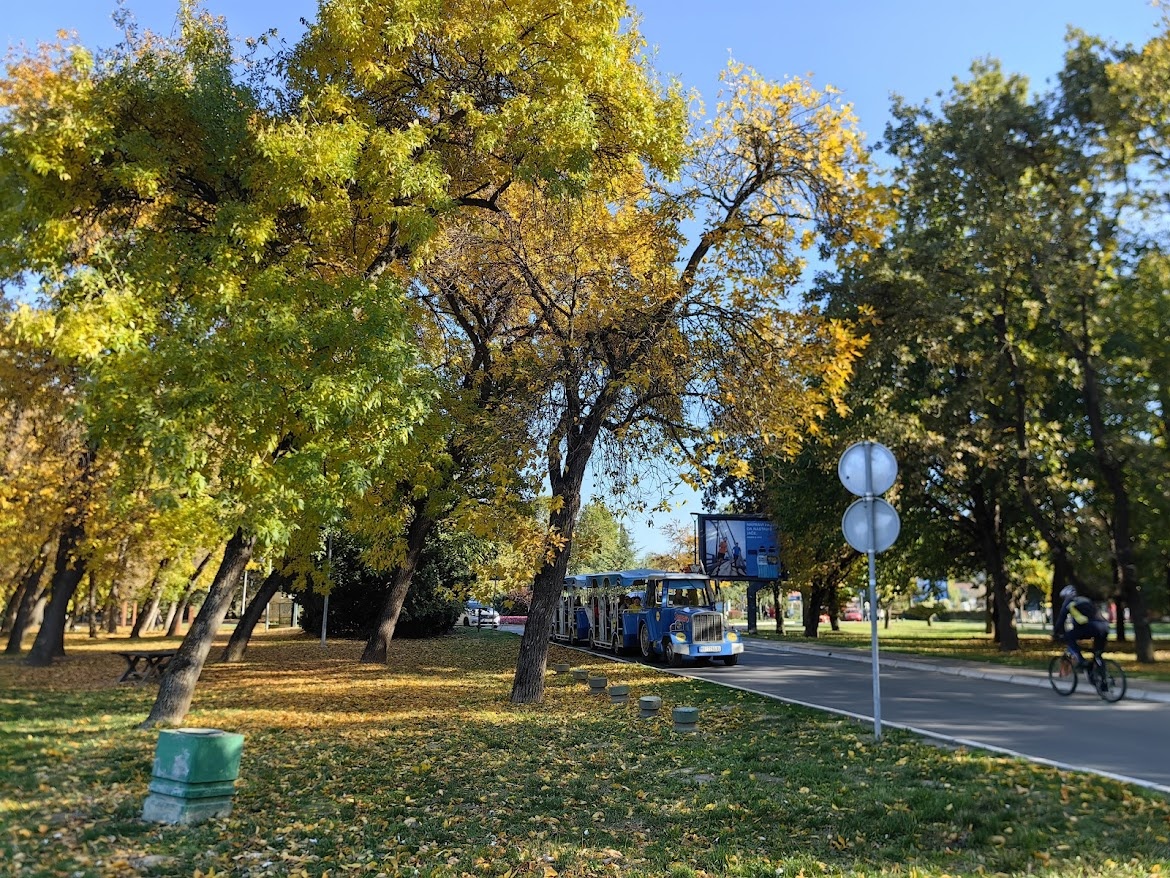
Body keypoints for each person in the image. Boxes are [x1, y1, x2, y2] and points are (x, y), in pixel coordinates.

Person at [1054, 585, 1109, 669]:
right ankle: (1100, 673)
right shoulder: (1085, 600)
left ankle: (1081, 660)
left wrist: (1056, 632)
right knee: (1097, 654)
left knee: (1069, 637)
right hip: (1104, 627)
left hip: (1091, 627)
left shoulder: (1069, 602)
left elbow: (1061, 619)